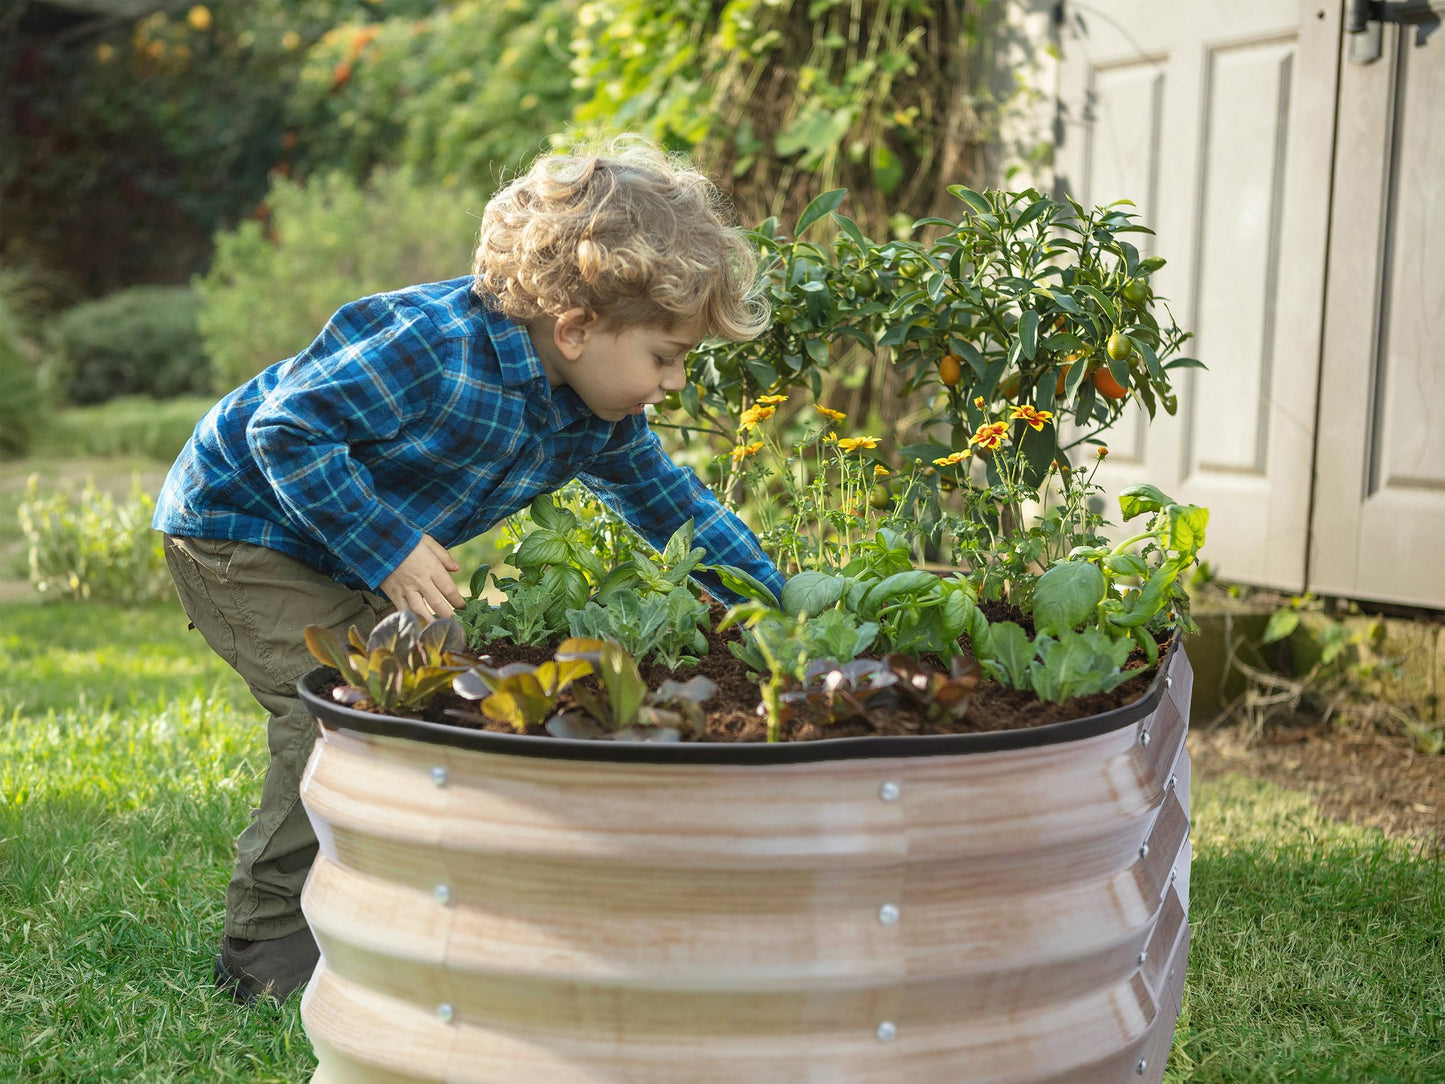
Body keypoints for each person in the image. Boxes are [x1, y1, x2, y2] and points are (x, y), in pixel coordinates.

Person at [153, 136, 785, 1003]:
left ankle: (393, 895)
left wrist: (775, 605)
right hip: (240, 526)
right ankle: (262, 953)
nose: (671, 383)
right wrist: (388, 547)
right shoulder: (431, 345)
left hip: (337, 531)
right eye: (665, 357)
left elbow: (675, 510)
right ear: (575, 328)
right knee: (341, 706)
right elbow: (286, 433)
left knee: (435, 671)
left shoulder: (595, 416)